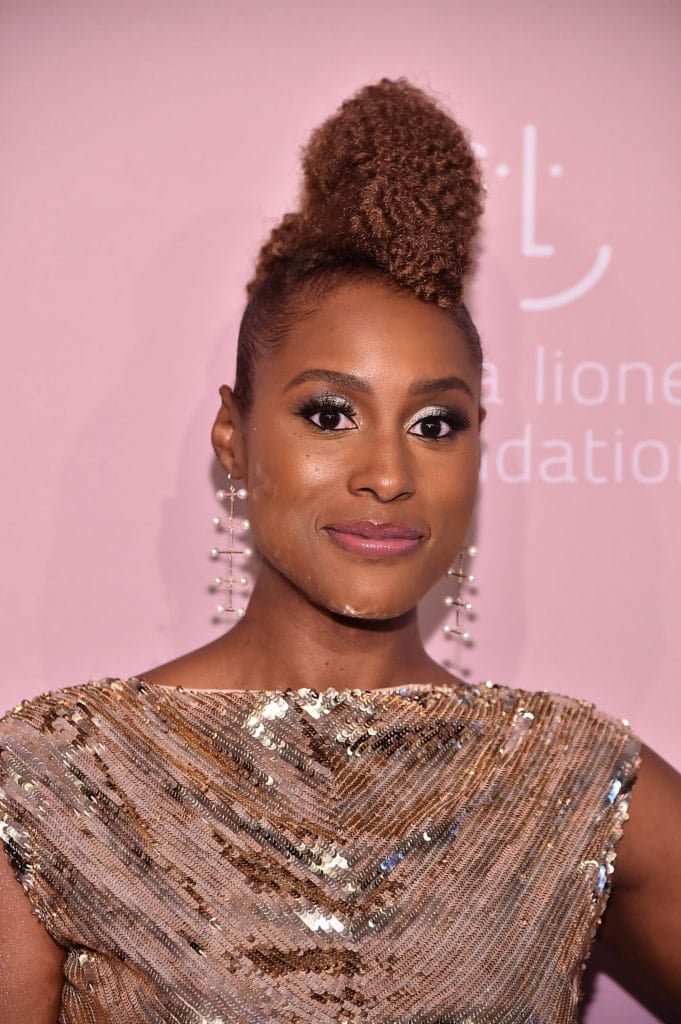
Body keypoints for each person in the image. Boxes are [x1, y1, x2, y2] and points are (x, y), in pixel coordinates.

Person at [0, 79, 679, 1024]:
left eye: (435, 424)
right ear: (233, 436)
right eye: (329, 414)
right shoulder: (57, 783)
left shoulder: (570, 782)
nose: (389, 474)